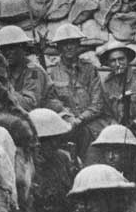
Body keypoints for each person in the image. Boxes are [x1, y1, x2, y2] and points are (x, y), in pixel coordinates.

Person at [47, 23, 114, 159]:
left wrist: (79, 119)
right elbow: (52, 101)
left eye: (73, 42)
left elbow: (97, 104)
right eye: (64, 43)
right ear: (58, 47)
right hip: (65, 124)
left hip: (90, 123)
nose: (69, 47)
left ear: (78, 45)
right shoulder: (52, 72)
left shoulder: (89, 69)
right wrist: (67, 117)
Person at [0, 25, 62, 112]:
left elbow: (30, 104)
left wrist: (4, 93)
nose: (7, 52)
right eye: (3, 49)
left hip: (46, 114)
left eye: (12, 48)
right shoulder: (5, 70)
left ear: (22, 48)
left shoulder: (34, 71)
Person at [90, 124, 136, 209]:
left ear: (129, 152)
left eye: (116, 151)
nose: (110, 156)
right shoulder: (101, 177)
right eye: (107, 151)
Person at [97, 41, 136, 125]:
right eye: (113, 61)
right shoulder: (106, 84)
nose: (118, 64)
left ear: (128, 59)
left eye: (121, 59)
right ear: (108, 63)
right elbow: (106, 112)